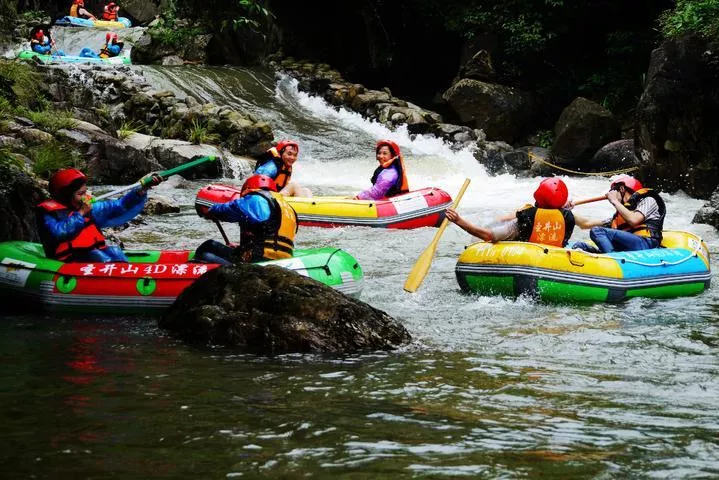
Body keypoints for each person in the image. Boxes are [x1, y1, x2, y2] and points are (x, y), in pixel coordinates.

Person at [36, 168, 163, 263]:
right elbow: (61, 232)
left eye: (85, 192)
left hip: (91, 253)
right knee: (98, 255)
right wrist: (81, 213)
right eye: (80, 194)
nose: (85, 197)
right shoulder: (49, 213)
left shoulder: (89, 208)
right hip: (67, 259)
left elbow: (119, 207)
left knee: (115, 251)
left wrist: (142, 190)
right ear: (65, 195)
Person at [194, 174, 298, 265]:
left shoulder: (255, 199)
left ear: (248, 189)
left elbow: (229, 209)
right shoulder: (288, 208)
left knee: (209, 245)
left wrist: (211, 210)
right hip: (284, 260)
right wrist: (242, 247)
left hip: (259, 258)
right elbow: (270, 233)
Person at [445, 177, 576, 247]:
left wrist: (458, 221)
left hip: (526, 261)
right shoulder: (568, 217)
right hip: (553, 262)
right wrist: (562, 207)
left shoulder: (527, 219)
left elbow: (488, 235)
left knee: (498, 225)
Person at [570, 174, 666, 253]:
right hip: (628, 247)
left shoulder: (649, 200)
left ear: (621, 189)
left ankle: (612, 260)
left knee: (598, 231)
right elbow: (585, 224)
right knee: (580, 245)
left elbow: (633, 220)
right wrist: (567, 210)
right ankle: (609, 257)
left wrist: (614, 201)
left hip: (646, 243)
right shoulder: (620, 216)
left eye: (613, 191)